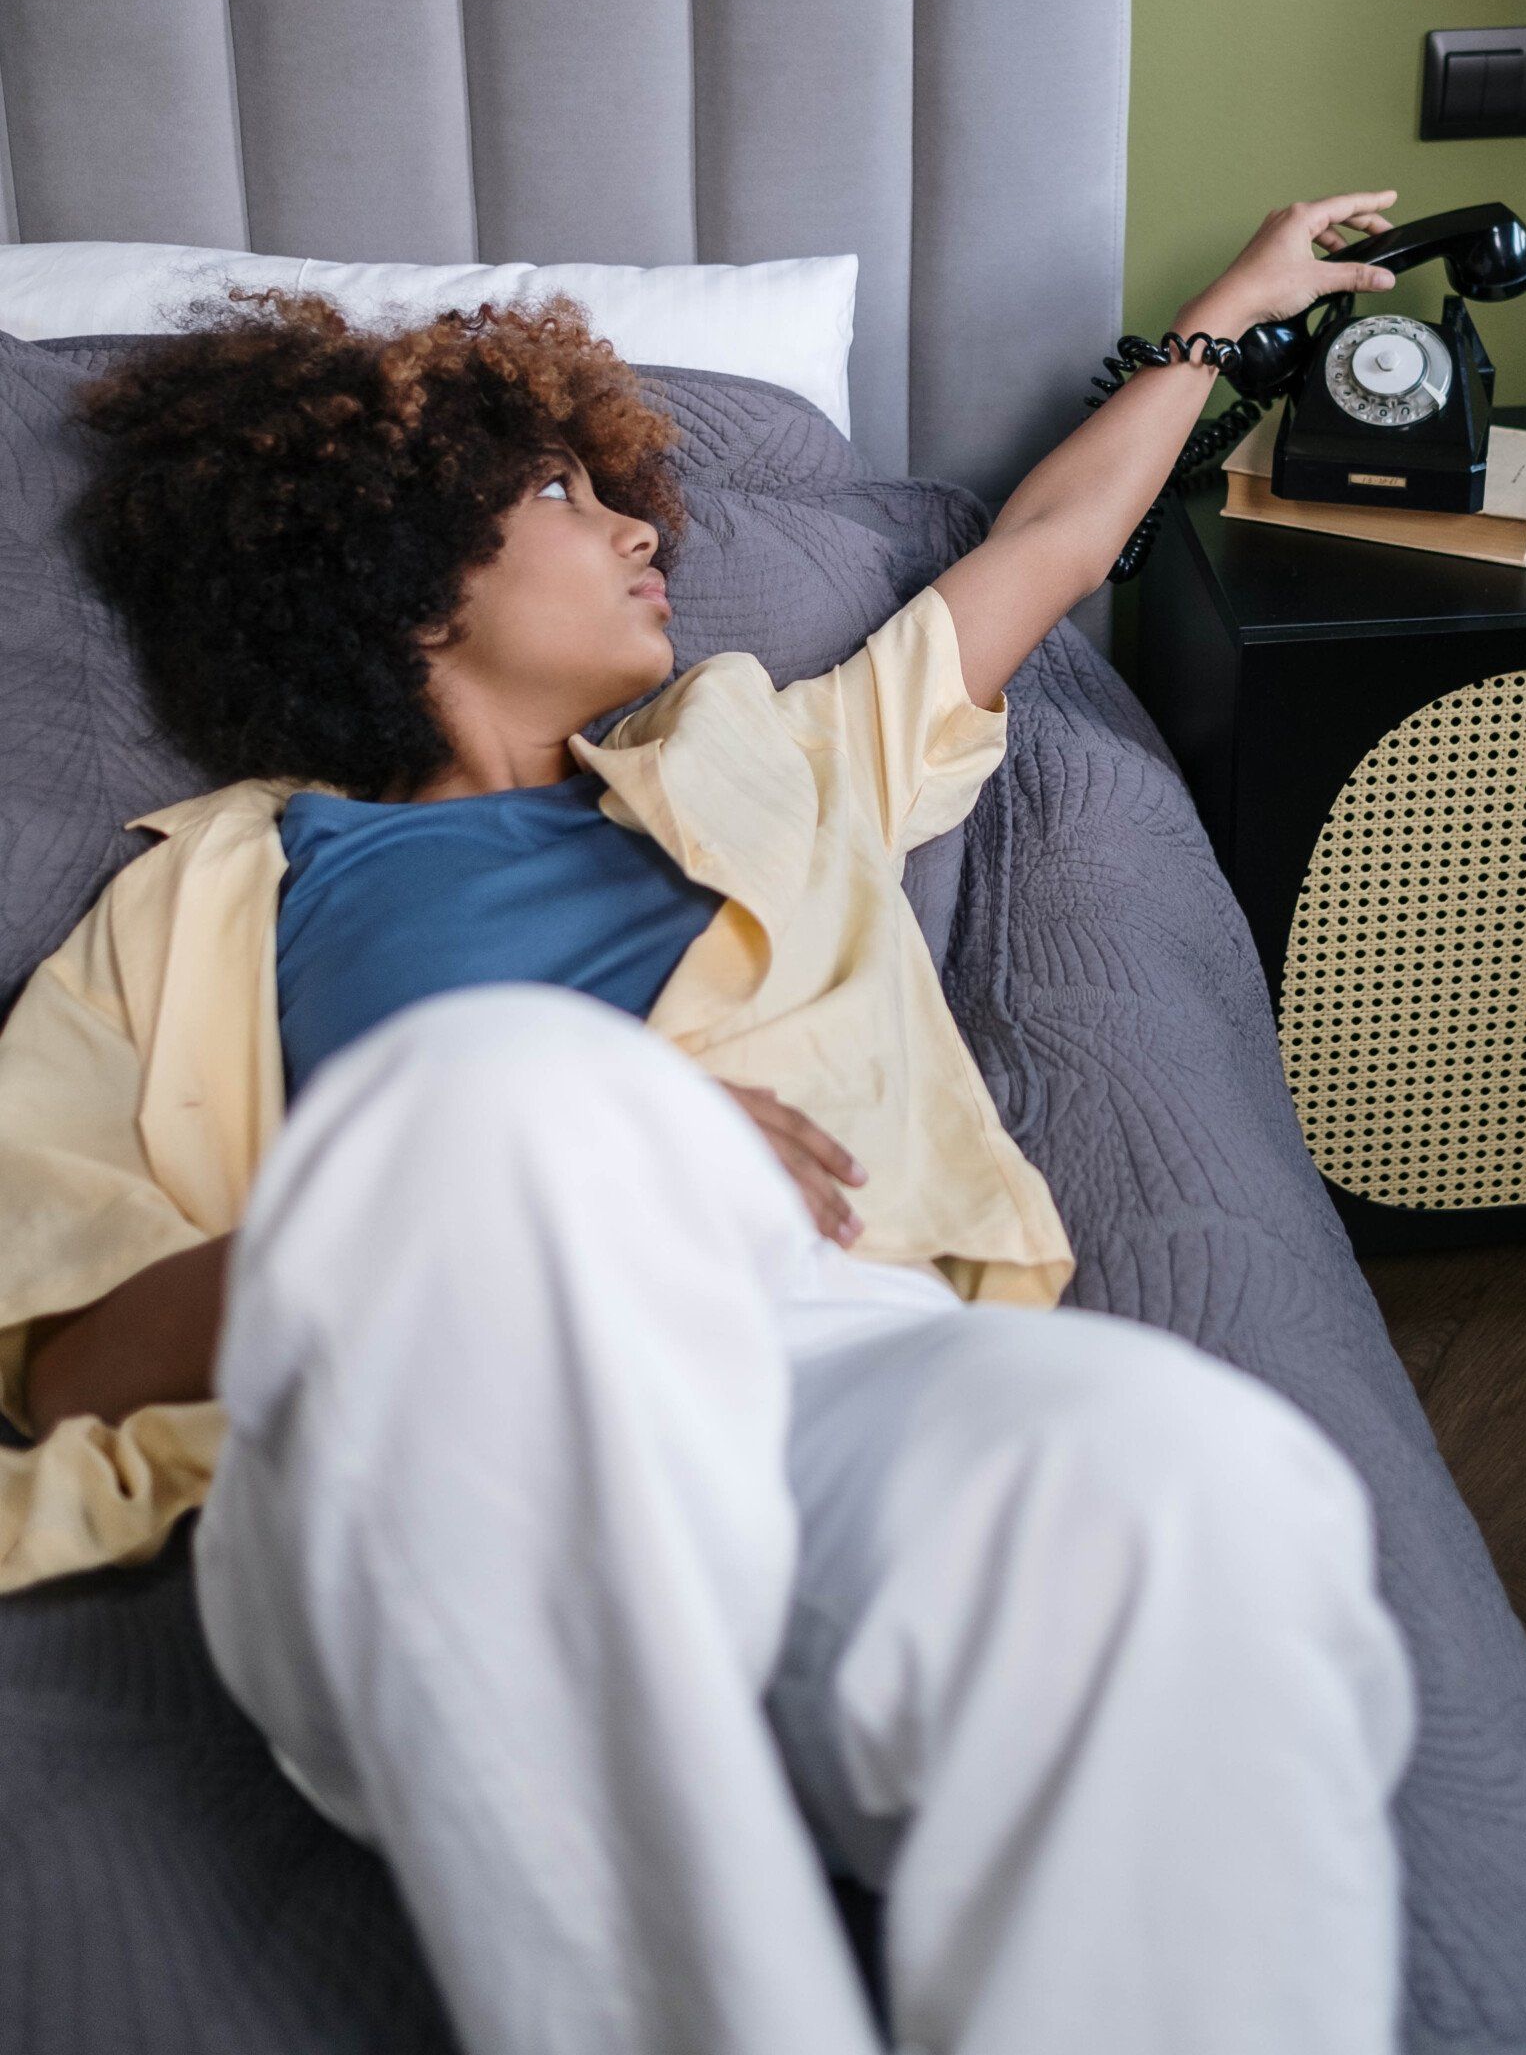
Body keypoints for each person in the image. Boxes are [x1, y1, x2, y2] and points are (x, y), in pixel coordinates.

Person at [0, 193, 1418, 2055]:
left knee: (1193, 1482)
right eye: (571, 504)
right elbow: (67, 1367)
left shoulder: (766, 758)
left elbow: (1056, 547)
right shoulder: (192, 910)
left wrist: (1234, 315)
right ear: (415, 577)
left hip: (819, 1356)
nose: (648, 524)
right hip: (425, 1414)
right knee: (496, 1098)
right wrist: (568, 1154)